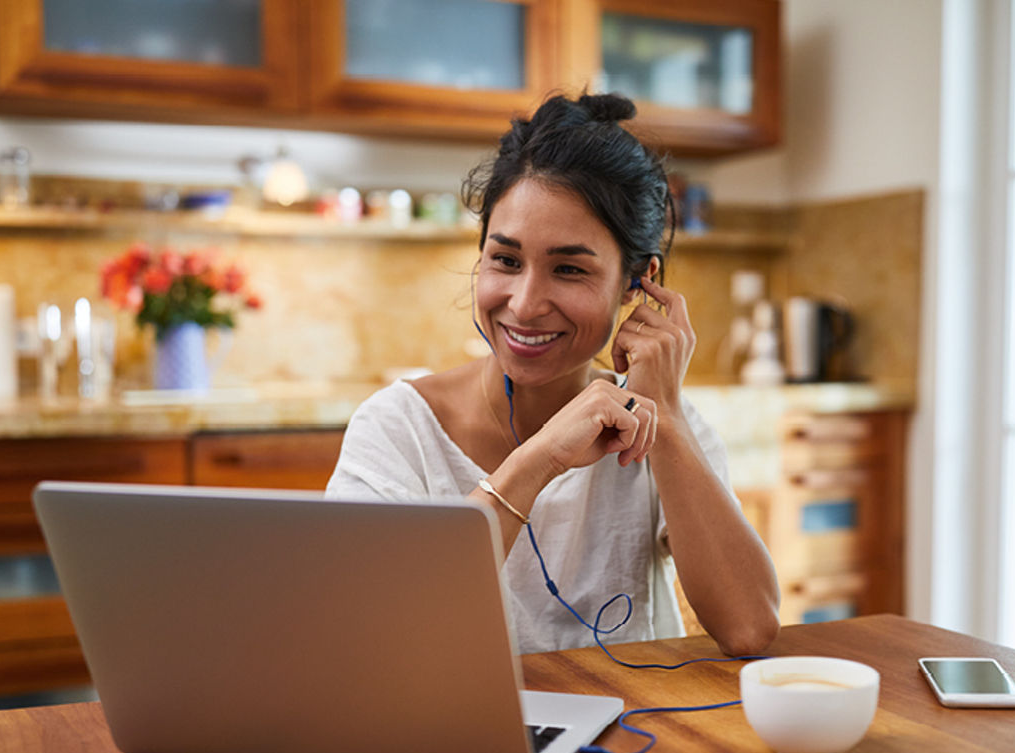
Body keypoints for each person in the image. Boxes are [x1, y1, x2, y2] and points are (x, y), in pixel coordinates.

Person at [326, 92, 779, 656]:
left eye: (568, 269)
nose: (524, 302)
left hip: (634, 733)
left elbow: (750, 629)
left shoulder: (662, 424)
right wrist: (540, 459)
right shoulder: (397, 429)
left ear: (637, 284)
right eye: (505, 260)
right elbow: (371, 635)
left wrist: (667, 416)